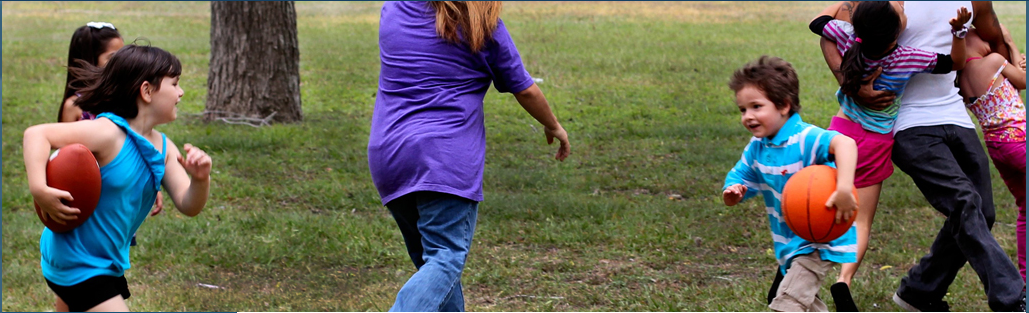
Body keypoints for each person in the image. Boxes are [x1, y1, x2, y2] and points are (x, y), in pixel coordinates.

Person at [819, 1, 1026, 311]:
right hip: (907, 123)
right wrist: (851, 83)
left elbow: (993, 38)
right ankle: (1012, 299)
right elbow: (828, 31)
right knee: (963, 201)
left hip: (954, 115)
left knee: (982, 212)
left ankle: (919, 291)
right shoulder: (889, 4)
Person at [367, 1, 570, 311]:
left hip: (390, 156)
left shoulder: (395, 9)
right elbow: (525, 89)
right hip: (445, 160)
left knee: (435, 269)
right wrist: (553, 125)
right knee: (445, 258)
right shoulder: (484, 28)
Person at [24, 44, 212, 312]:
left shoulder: (164, 148)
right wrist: (39, 189)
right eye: (175, 83)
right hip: (76, 260)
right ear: (147, 91)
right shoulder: (108, 133)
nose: (181, 92)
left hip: (104, 261)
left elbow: (188, 204)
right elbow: (36, 134)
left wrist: (201, 179)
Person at [807, 2, 969, 310]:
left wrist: (844, 7)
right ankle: (844, 280)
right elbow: (954, 63)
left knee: (817, 207)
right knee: (861, 222)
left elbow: (818, 22)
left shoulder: (847, 36)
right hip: (874, 144)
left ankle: (793, 269)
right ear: (897, 31)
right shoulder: (908, 57)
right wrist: (958, 33)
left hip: (840, 133)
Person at [722, 55, 858, 312]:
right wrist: (734, 190)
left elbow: (846, 144)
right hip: (789, 243)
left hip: (819, 238)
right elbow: (741, 176)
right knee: (803, 303)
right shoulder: (757, 148)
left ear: (783, 105)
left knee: (787, 304)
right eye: (743, 109)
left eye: (756, 107)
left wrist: (843, 189)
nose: (748, 116)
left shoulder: (805, 138)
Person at [958, 27, 1027, 281]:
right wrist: (1010, 43)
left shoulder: (960, 79)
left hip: (998, 147)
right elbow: (1023, 81)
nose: (989, 42)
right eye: (983, 37)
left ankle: (1025, 278)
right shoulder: (994, 61)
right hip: (1019, 140)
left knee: (1025, 208)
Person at [59, 22, 124, 123]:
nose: (123, 62)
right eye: (113, 58)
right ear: (91, 61)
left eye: (123, 55)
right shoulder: (74, 106)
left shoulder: (125, 97)